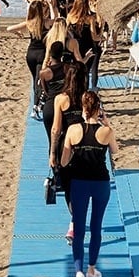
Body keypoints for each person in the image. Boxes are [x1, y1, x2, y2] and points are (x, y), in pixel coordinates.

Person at [60, 90, 118, 277]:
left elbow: (64, 162)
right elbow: (115, 151)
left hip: (79, 183)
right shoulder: (106, 131)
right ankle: (92, 270)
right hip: (100, 183)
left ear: (83, 108)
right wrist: (107, 124)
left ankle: (78, 273)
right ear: (98, 109)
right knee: (96, 227)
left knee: (78, 228)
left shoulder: (73, 130)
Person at [49, 62, 86, 244]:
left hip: (68, 145)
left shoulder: (61, 99)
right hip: (86, 143)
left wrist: (53, 153)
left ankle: (75, 221)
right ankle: (76, 220)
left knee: (69, 185)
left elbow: (56, 129)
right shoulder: (89, 97)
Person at [7, 0, 49, 114]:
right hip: (42, 54)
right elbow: (56, 19)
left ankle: (37, 103)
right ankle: (36, 106)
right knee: (39, 80)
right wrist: (51, 5)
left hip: (30, 54)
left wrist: (18, 33)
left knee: (35, 78)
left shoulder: (29, 23)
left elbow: (9, 29)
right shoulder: (46, 23)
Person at [66, 0, 103, 89]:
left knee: (76, 72)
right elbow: (95, 37)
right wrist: (102, 29)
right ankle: (84, 93)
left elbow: (64, 31)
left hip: (75, 48)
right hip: (88, 48)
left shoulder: (70, 16)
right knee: (86, 73)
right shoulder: (90, 19)